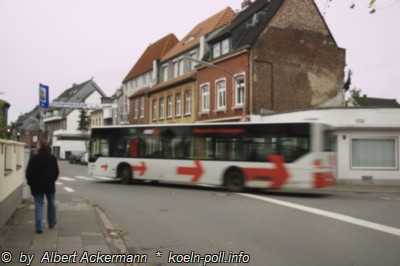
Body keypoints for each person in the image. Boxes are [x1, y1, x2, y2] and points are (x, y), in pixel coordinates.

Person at [26, 140, 59, 234]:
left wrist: (30, 183)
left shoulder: (34, 158)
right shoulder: (52, 158)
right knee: (51, 204)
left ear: (39, 148)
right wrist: (52, 180)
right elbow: (56, 172)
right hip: (49, 185)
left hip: (37, 186)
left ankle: (39, 227)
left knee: (39, 205)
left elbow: (28, 173)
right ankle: (51, 223)